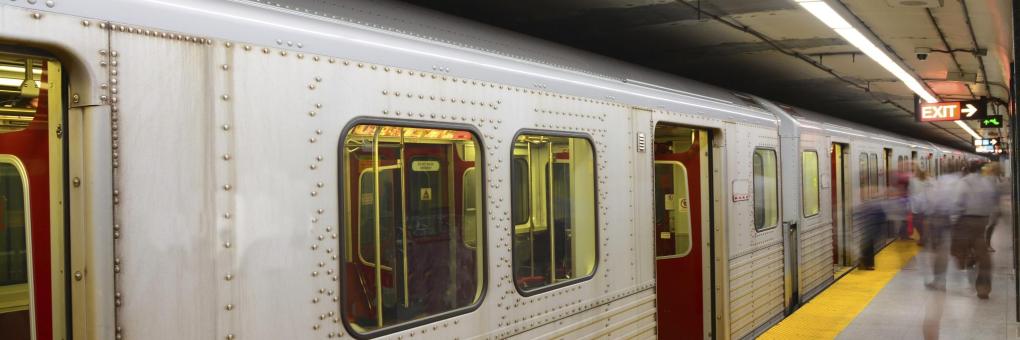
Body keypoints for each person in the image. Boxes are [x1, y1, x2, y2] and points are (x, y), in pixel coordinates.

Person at [952, 161, 996, 299]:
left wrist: (953, 221)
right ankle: (984, 288)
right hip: (981, 221)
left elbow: (958, 202)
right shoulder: (987, 183)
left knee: (959, 247)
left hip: (965, 220)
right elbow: (991, 202)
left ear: (968, 169)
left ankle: (965, 262)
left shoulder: (964, 182)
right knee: (984, 255)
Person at [924, 163, 962, 291]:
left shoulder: (941, 181)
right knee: (952, 249)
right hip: (957, 220)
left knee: (939, 251)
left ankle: (939, 280)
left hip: (941, 219)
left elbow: (934, 201)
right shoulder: (960, 181)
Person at [855, 183, 886, 270]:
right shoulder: (868, 204)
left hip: (869, 228)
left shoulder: (869, 204)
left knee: (868, 246)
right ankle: (865, 263)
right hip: (869, 229)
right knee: (867, 246)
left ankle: (865, 263)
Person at [909, 169, 932, 246]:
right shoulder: (927, 181)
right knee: (921, 223)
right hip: (923, 206)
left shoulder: (927, 181)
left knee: (918, 223)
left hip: (919, 206)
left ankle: (923, 238)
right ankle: (924, 238)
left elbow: (910, 193)